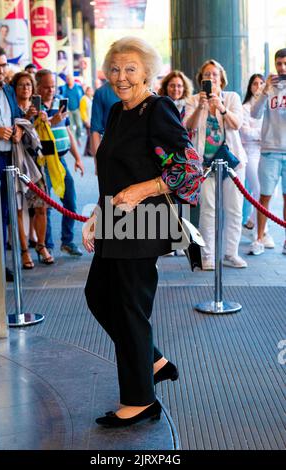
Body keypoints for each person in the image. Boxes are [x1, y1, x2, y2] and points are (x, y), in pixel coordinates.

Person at [82, 36, 202, 427]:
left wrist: (143, 189)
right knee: (98, 296)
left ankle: (140, 400)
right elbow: (114, 171)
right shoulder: (118, 111)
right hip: (115, 220)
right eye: (115, 68)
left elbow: (188, 169)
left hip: (143, 222)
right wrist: (97, 216)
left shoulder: (158, 108)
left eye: (130, 68)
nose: (121, 76)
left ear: (148, 73)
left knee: (131, 309)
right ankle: (152, 361)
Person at [185, 59, 247, 270]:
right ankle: (208, 255)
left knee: (234, 209)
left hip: (231, 163)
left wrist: (220, 107)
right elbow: (187, 127)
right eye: (206, 75)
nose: (210, 78)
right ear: (201, 79)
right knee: (208, 210)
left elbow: (237, 124)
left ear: (221, 78)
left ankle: (231, 253)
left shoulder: (231, 98)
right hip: (204, 165)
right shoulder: (193, 100)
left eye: (214, 74)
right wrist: (201, 107)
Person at [35, 69, 84, 256]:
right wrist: (51, 121)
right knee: (45, 204)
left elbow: (68, 131)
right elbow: (34, 132)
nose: (50, 90)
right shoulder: (34, 106)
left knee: (70, 200)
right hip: (43, 162)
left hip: (61, 160)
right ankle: (46, 245)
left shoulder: (60, 102)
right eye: (46, 87)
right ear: (38, 86)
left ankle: (67, 241)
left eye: (53, 86)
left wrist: (78, 158)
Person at [12, 71, 54, 267]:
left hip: (36, 164)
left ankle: (41, 245)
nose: (26, 88)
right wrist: (24, 117)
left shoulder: (37, 108)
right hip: (17, 162)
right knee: (20, 209)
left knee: (41, 207)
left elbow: (41, 139)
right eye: (21, 85)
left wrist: (44, 121)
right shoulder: (11, 108)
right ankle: (24, 251)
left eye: (29, 84)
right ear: (15, 88)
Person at [250, 48, 286, 256]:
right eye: (279, 63)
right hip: (270, 150)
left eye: (285, 64)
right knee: (265, 196)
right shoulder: (268, 88)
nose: (282, 67)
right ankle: (259, 237)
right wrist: (265, 91)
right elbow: (254, 114)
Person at [0, 45, 23, 282]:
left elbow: (16, 116)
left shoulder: (9, 90)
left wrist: (18, 129)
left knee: (3, 212)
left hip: (7, 158)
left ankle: (0, 264)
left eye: (3, 65)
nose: (0, 70)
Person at [158, 70, 193, 256]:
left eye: (179, 85)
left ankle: (180, 240)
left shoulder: (190, 106)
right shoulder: (160, 105)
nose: (176, 89)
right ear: (166, 87)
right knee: (167, 199)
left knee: (183, 200)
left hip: (184, 158)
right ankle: (167, 242)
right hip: (166, 158)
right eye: (172, 85)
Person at [240, 74, 275, 253]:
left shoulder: (268, 103)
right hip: (250, 153)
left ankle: (253, 224)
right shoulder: (245, 107)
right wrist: (262, 134)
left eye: (261, 83)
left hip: (267, 151)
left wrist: (262, 134)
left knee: (265, 192)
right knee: (259, 190)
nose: (258, 86)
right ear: (250, 87)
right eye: (255, 83)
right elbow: (244, 132)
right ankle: (262, 231)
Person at [90, 80, 119, 171]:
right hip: (112, 152)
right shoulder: (101, 92)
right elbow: (95, 130)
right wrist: (98, 162)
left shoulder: (140, 88)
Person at [59, 74, 84, 146]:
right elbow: (61, 97)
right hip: (68, 110)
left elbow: (82, 96)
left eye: (70, 79)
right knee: (71, 127)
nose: (68, 80)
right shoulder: (64, 88)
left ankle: (78, 137)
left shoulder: (78, 87)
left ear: (73, 79)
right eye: (67, 79)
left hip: (77, 109)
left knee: (79, 125)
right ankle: (74, 142)